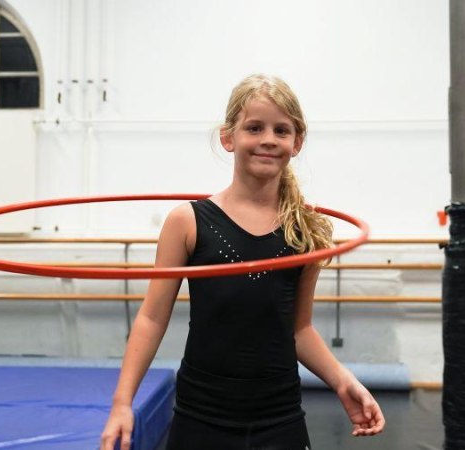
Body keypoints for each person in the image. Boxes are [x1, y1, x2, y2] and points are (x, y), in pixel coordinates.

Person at [100, 74, 385, 450]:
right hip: (201, 416)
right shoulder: (188, 221)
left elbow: (299, 329)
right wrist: (123, 403)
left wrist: (343, 381)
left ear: (296, 143)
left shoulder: (306, 230)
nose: (268, 139)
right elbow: (152, 318)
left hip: (279, 416)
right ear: (228, 137)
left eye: (281, 130)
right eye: (254, 127)